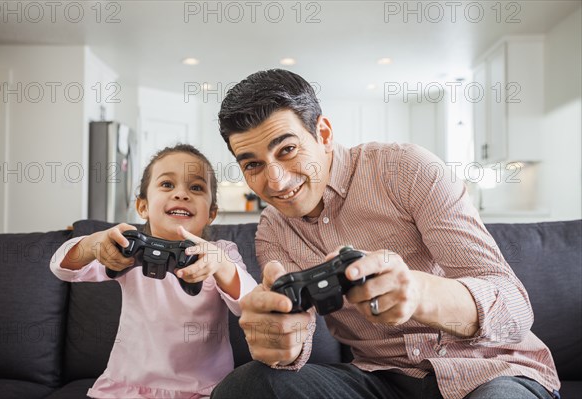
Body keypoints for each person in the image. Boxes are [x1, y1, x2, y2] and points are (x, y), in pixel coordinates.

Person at [210, 69, 560, 399]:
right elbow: (293, 344)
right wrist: (279, 340)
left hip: (489, 370)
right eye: (253, 164)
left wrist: (418, 292)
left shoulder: (406, 169)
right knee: (248, 384)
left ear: (324, 134)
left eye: (287, 150)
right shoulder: (272, 229)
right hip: (383, 379)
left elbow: (514, 309)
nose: (276, 181)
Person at [50, 144, 257, 398]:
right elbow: (62, 267)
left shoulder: (220, 253)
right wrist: (94, 244)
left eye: (196, 187)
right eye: (167, 185)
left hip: (202, 390)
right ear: (143, 206)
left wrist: (222, 266)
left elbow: (252, 306)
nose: (182, 194)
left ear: (211, 213)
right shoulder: (128, 248)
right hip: (126, 387)